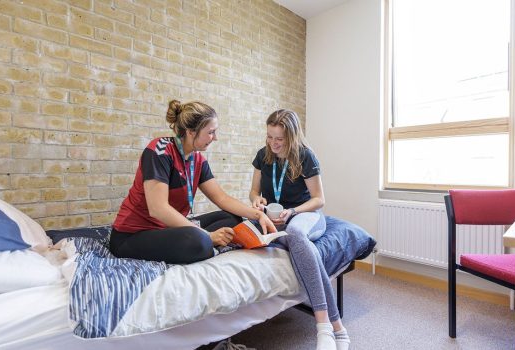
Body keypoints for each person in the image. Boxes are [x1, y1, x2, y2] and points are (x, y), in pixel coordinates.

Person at [110, 100, 276, 264]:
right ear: (190, 131)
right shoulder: (159, 151)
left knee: (232, 218)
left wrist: (258, 214)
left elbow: (222, 199)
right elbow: (158, 209)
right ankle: (202, 240)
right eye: (211, 132)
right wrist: (207, 235)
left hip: (168, 229)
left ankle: (200, 238)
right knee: (201, 243)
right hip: (133, 235)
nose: (215, 138)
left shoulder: (198, 160)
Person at [249, 109, 350, 350]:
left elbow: (319, 199)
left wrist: (293, 212)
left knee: (294, 234)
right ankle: (339, 330)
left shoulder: (306, 156)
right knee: (252, 228)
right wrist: (256, 201)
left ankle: (324, 326)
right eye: (269, 136)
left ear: (291, 137)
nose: (273, 143)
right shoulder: (263, 156)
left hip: (306, 214)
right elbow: (254, 192)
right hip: (276, 217)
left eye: (279, 139)